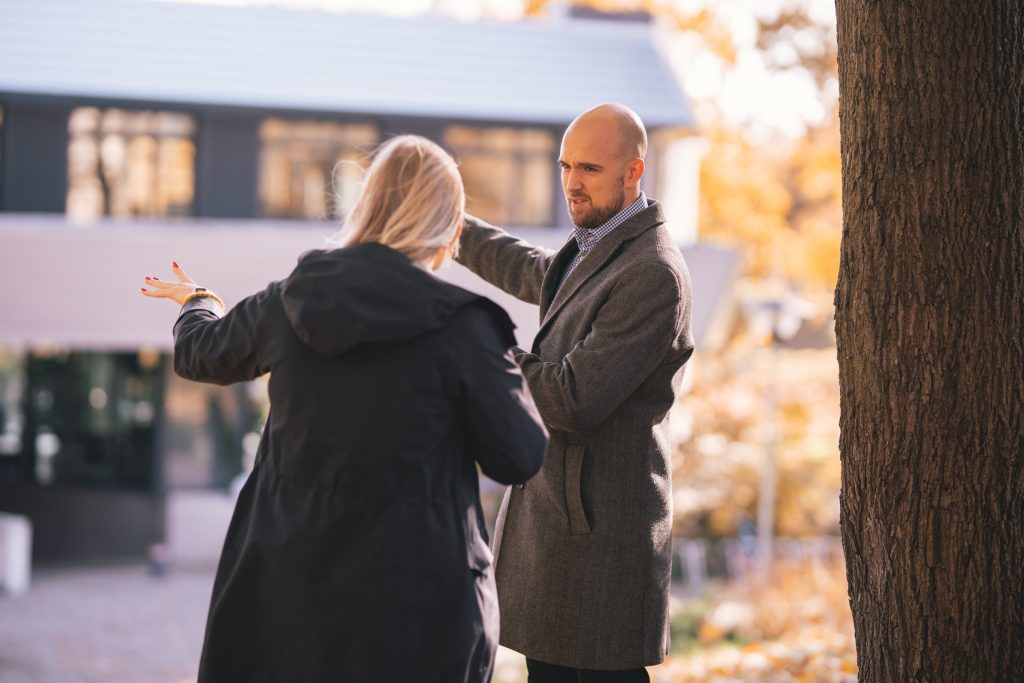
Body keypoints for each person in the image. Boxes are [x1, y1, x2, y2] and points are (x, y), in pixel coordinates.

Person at [140, 135, 548, 683]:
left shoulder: (291, 299)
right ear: (450, 227)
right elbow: (520, 455)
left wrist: (199, 302)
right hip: (417, 606)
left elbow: (200, 354)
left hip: (288, 592)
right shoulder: (464, 327)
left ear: (369, 205)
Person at [455, 103, 694, 682]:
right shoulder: (597, 247)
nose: (571, 184)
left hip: (601, 548)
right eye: (564, 166)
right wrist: (451, 227)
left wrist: (477, 343)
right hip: (564, 540)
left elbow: (571, 399)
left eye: (588, 168)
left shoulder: (651, 272)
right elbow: (533, 270)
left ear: (634, 172)